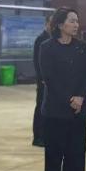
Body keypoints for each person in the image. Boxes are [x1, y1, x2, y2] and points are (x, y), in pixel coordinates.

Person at [38, 7, 86, 171]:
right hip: (55, 110)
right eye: (71, 21)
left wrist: (80, 97)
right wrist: (69, 99)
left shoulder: (82, 48)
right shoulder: (47, 47)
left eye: (77, 21)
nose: (76, 25)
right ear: (60, 24)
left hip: (79, 110)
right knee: (54, 157)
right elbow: (49, 78)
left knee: (76, 156)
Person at [32, 15, 52, 148]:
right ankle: (38, 137)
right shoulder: (41, 39)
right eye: (51, 23)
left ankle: (46, 135)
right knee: (41, 107)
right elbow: (37, 61)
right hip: (43, 81)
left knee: (49, 109)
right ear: (46, 23)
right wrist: (42, 78)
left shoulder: (53, 38)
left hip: (52, 81)